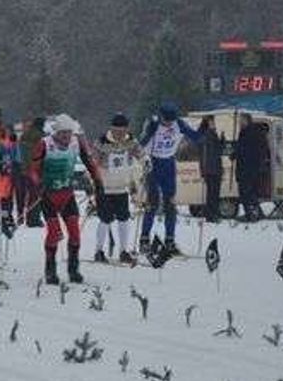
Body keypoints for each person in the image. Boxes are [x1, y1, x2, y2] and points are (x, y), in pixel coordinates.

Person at [31, 113, 97, 283]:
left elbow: (89, 162)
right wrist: (39, 184)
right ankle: (50, 270)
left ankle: (73, 270)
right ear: (55, 132)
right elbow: (33, 169)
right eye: (62, 133)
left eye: (69, 132)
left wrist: (97, 181)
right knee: (53, 233)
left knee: (75, 233)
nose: (66, 136)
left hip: (67, 194)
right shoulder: (45, 144)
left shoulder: (76, 142)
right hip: (49, 195)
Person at [138, 101, 201, 257]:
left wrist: (205, 127)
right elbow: (141, 144)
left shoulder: (178, 123)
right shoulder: (153, 124)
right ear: (161, 117)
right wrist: (143, 158)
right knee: (152, 204)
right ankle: (144, 240)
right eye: (166, 121)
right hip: (154, 164)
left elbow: (195, 136)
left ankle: (170, 241)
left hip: (169, 164)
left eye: (171, 121)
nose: (168, 124)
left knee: (170, 205)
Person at [93, 113, 141, 264]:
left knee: (124, 219)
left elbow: (141, 154)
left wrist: (146, 161)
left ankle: (123, 251)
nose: (120, 134)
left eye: (123, 130)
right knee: (105, 219)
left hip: (121, 187)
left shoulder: (131, 141)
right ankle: (99, 251)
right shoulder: (102, 142)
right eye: (117, 130)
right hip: (105, 188)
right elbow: (92, 161)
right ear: (111, 129)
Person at [234, 113, 268, 221]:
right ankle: (255, 213)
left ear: (247, 120)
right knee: (248, 192)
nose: (240, 123)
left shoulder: (251, 133)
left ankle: (252, 214)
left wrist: (238, 153)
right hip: (245, 167)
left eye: (241, 121)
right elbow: (241, 148)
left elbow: (248, 150)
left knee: (247, 192)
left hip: (248, 168)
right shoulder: (244, 132)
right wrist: (235, 154)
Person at [197, 117, 223, 222]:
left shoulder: (211, 134)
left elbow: (217, 150)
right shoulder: (208, 135)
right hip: (211, 168)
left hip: (213, 167)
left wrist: (221, 141)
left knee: (213, 192)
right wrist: (203, 170)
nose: (214, 124)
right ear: (208, 123)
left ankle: (212, 213)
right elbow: (206, 153)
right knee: (213, 193)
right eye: (212, 122)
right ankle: (211, 214)